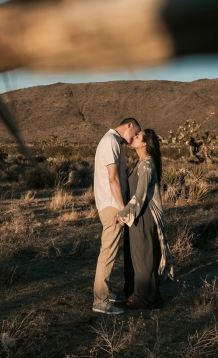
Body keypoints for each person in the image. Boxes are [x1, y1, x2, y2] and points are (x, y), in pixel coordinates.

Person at [116, 129, 174, 309]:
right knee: (138, 255)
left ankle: (144, 299)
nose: (134, 137)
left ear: (144, 144)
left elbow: (140, 195)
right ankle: (139, 294)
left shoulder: (147, 165)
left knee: (144, 256)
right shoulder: (139, 163)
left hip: (144, 215)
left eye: (137, 136)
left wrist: (123, 214)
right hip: (137, 214)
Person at [92, 118, 141, 315]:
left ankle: (107, 292)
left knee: (110, 250)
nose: (135, 137)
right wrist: (123, 209)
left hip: (111, 204)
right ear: (129, 125)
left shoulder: (112, 141)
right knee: (108, 252)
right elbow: (112, 178)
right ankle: (100, 301)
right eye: (135, 132)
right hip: (113, 205)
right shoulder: (111, 141)